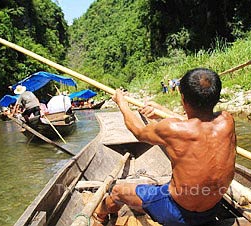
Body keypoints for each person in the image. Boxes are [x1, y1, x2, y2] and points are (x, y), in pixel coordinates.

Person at [93, 68, 236, 226]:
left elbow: (139, 131)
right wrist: (162, 111)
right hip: (211, 209)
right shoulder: (227, 120)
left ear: (183, 98)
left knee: (117, 192)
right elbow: (198, 123)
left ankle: (99, 217)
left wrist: (122, 103)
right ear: (216, 97)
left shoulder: (172, 129)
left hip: (177, 212)